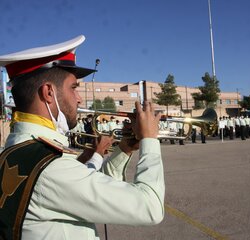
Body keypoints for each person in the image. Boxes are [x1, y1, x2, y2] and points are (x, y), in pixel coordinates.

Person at [0, 35, 165, 240]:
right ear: (49, 93)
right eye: (74, 88)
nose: (79, 98)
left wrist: (124, 150)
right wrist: (150, 139)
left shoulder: (13, 151)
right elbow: (150, 207)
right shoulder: (52, 166)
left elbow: (89, 187)